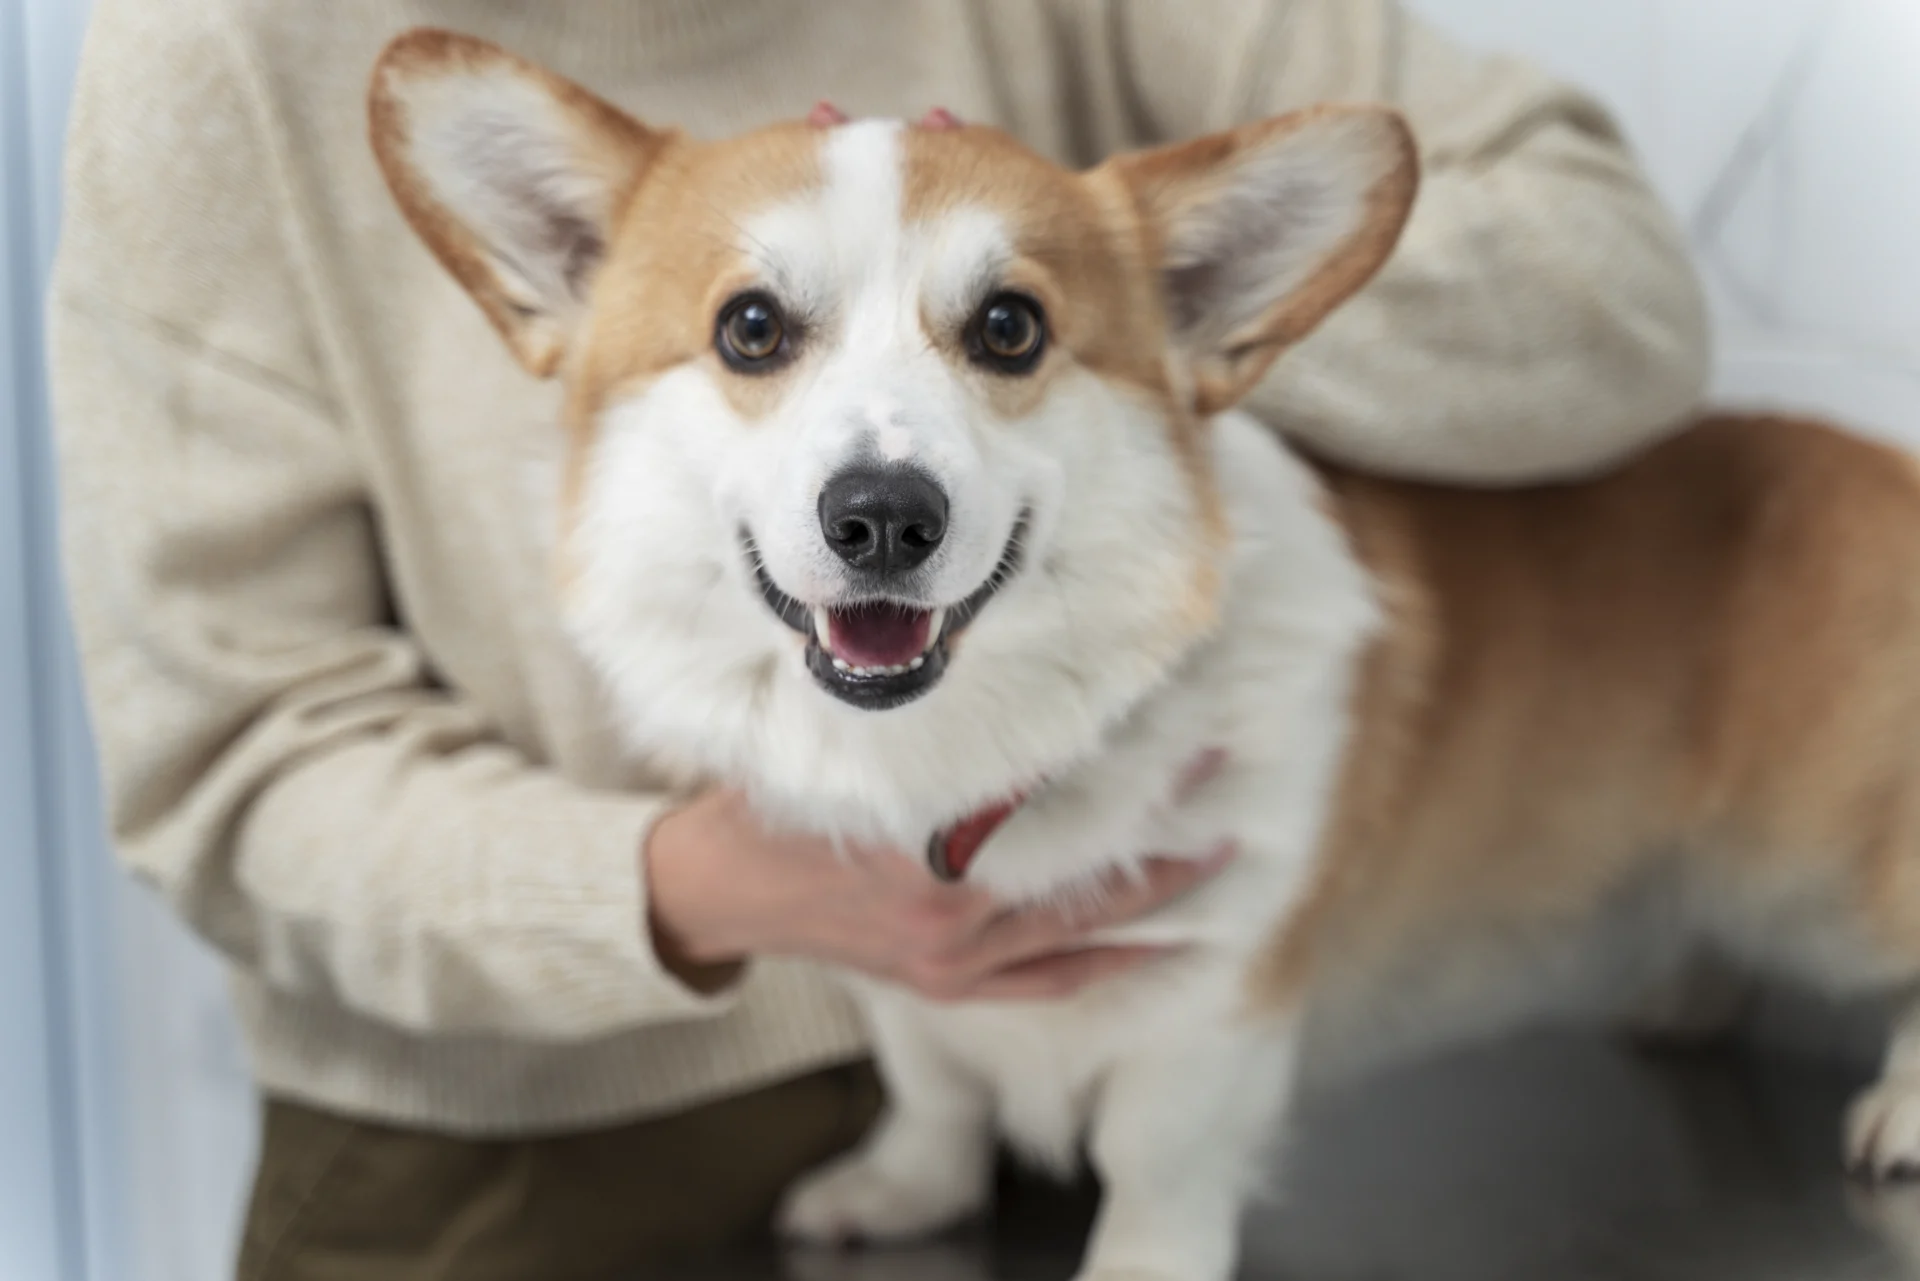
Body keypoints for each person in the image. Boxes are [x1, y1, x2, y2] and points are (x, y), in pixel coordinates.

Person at [46, 1, 1709, 1278]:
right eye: (758, 328)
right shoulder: (222, 50)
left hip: (1104, 1083)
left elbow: (1616, 295)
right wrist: (711, 882)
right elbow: (227, 769)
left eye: (996, 327)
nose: (881, 485)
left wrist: (1123, 305)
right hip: (526, 1160)